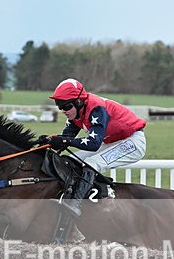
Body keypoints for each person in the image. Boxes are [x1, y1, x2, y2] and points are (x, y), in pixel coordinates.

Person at [41, 78, 147, 217]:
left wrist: (64, 141)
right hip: (111, 142)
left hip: (132, 142)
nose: (63, 111)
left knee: (92, 164)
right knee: (71, 160)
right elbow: (65, 138)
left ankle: (77, 204)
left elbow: (92, 144)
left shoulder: (97, 108)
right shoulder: (76, 112)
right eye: (59, 106)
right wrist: (48, 142)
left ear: (79, 101)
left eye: (66, 106)